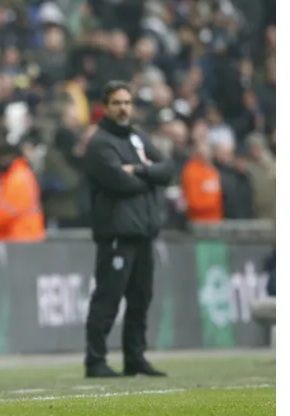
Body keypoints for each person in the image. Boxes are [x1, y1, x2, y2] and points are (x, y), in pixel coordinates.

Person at [83, 80, 174, 378]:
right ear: (105, 107)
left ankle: (135, 358)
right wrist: (149, 177)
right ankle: (95, 360)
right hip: (117, 233)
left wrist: (138, 169)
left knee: (140, 299)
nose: (123, 108)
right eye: (116, 103)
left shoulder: (137, 137)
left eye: (127, 103)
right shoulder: (100, 144)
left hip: (143, 232)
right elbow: (120, 182)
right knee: (108, 298)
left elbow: (167, 169)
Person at [0, 143, 46, 242]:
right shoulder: (21, 174)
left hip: (20, 237)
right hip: (26, 234)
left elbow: (5, 211)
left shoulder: (16, 179)